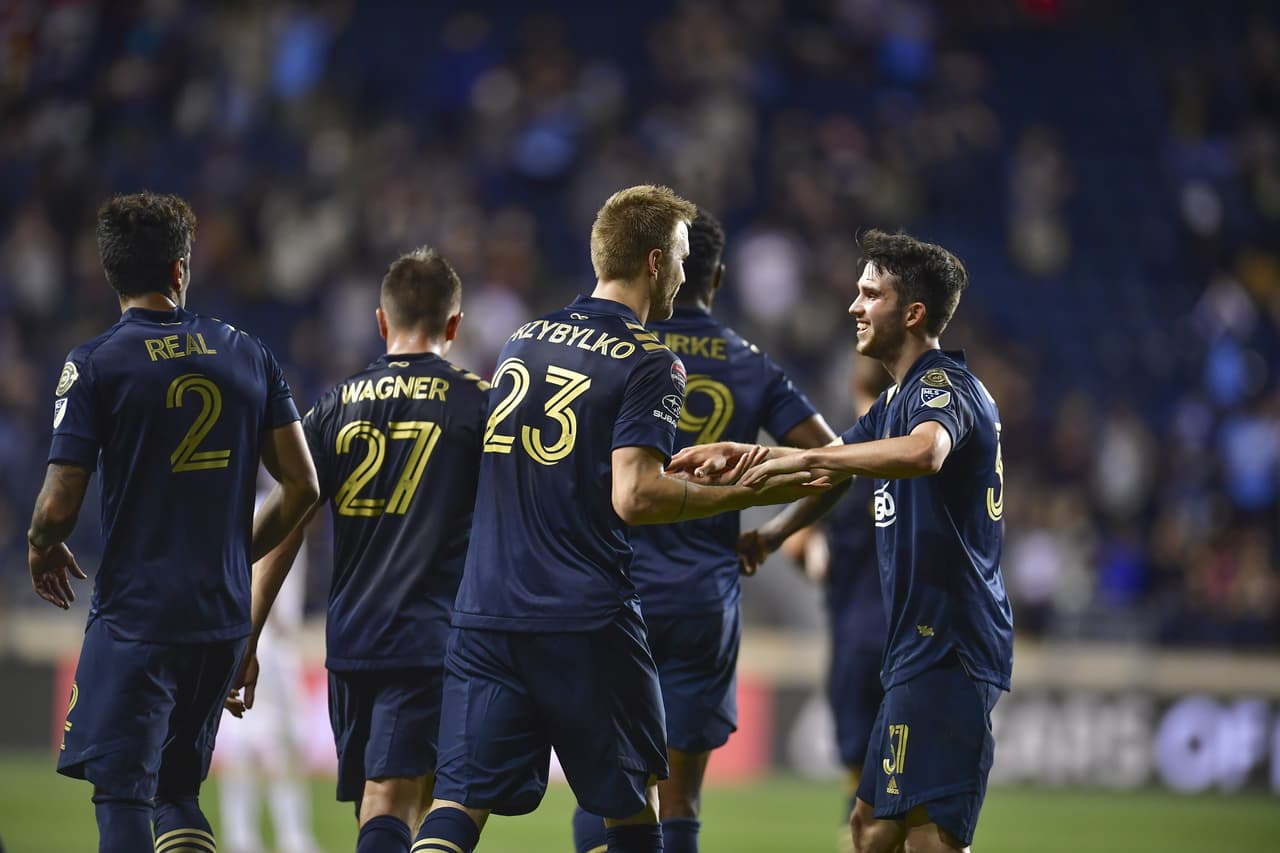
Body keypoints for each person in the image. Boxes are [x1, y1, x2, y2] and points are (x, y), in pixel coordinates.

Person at [413, 185, 826, 853]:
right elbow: (636, 495)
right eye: (684, 258)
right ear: (657, 263)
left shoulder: (524, 338)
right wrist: (738, 493)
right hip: (584, 617)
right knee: (631, 807)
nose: (688, 273)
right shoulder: (652, 360)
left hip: (486, 610)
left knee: (457, 805)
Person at [673, 229, 1014, 853]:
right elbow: (831, 465)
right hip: (915, 644)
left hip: (951, 644)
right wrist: (774, 530)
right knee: (869, 827)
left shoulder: (944, 388)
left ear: (912, 313)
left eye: (870, 294)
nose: (854, 307)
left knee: (930, 840)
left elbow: (925, 453)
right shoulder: (894, 403)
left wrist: (771, 460)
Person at [26, 191, 319, 852]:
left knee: (123, 794)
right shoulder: (248, 352)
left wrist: (40, 543)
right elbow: (303, 487)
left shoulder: (94, 362)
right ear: (180, 270)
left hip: (137, 614)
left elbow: (56, 505)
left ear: (109, 273)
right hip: (218, 619)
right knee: (179, 794)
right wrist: (233, 556)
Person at [569, 208, 837, 853]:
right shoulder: (749, 364)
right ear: (714, 276)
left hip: (611, 590)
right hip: (702, 598)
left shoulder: (610, 352)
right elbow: (831, 462)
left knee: (606, 784)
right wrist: (770, 535)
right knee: (680, 796)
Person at [235, 247, 491, 853]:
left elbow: (289, 522)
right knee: (394, 804)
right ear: (454, 326)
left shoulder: (332, 405)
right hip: (430, 639)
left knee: (387, 809)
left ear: (382, 321)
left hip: (349, 643)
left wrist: (247, 634)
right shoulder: (478, 404)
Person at [748, 352, 892, 852]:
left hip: (856, 635)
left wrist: (821, 564)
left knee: (858, 780)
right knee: (917, 786)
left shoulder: (845, 457)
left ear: (855, 381)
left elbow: (800, 547)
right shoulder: (920, 453)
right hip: (919, 638)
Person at [216, 477, 322, 853]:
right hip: (267, 638)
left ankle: (243, 834)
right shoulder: (281, 504)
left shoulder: (241, 504)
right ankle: (290, 836)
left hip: (255, 636)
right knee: (280, 744)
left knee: (248, 742)